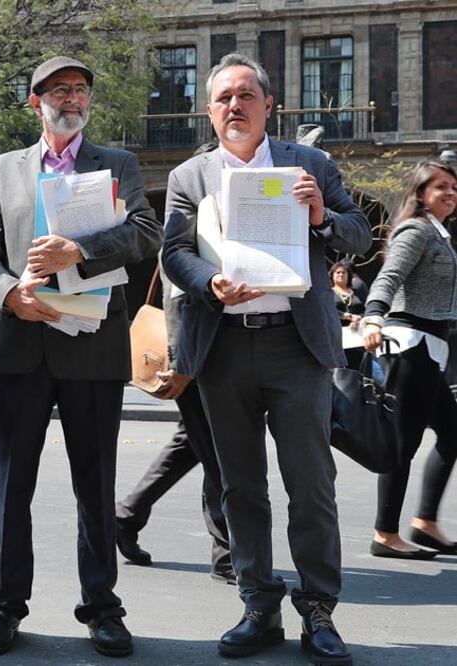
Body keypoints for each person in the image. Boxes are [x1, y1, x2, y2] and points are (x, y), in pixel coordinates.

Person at [162, 54, 370, 665]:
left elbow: (359, 234)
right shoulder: (189, 176)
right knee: (240, 485)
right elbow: (174, 253)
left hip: (296, 346)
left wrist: (321, 216)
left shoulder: (310, 165)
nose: (235, 106)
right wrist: (207, 283)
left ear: (268, 103)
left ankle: (320, 611)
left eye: (246, 94)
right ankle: (258, 605)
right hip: (223, 346)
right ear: (209, 110)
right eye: (223, 97)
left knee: (311, 484)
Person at [0, 56, 161, 657]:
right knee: (10, 489)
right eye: (58, 90)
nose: (71, 98)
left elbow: (146, 234)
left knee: (95, 487)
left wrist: (77, 251)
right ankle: (2, 606)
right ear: (35, 102)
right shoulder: (3, 169)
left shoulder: (119, 164)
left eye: (79, 89)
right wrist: (8, 293)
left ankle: (102, 608)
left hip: (95, 348)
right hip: (21, 346)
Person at [361, 160, 457, 560]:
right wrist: (372, 315)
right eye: (440, 187)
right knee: (402, 445)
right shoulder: (415, 230)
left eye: (454, 186)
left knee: (453, 432)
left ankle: (425, 523)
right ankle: (385, 534)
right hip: (410, 345)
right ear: (420, 194)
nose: (450, 193)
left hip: (432, 348)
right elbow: (389, 275)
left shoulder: (442, 233)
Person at [115, 268, 232, 584]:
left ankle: (126, 515)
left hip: (222, 350)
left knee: (191, 442)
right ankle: (226, 554)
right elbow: (173, 291)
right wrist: (182, 361)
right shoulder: (187, 220)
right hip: (193, 355)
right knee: (216, 451)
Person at [330, 261, 364, 327]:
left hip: (357, 330)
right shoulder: (328, 293)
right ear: (332, 276)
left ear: (348, 276)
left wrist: (359, 318)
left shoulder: (356, 292)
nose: (341, 274)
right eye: (338, 272)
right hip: (336, 330)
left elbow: (365, 309)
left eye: (344, 272)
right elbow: (326, 310)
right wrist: (345, 316)